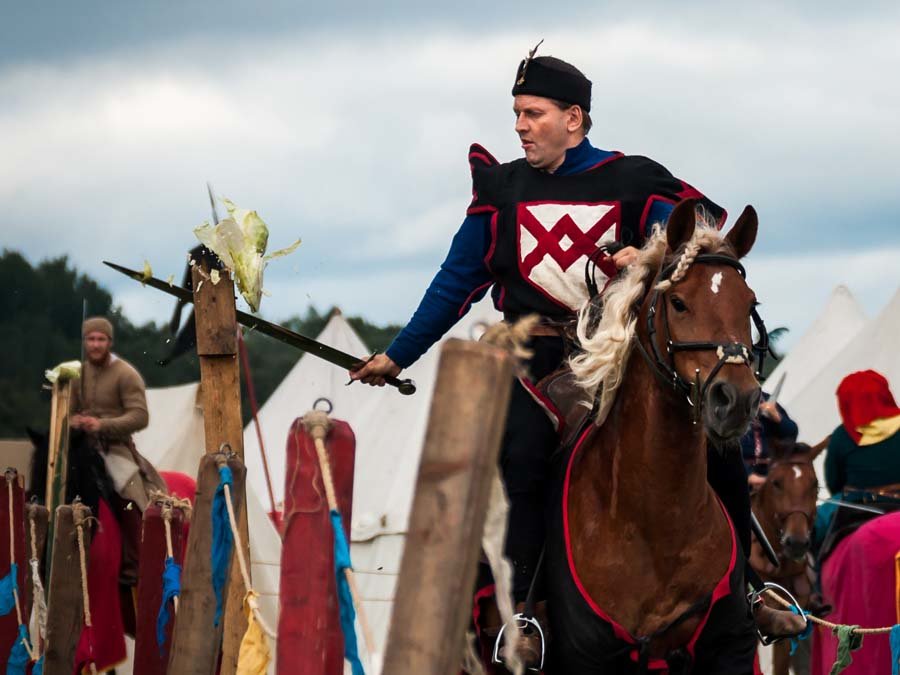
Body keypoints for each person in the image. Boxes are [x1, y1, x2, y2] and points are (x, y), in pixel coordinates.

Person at [351, 47, 803, 662]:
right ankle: (525, 613)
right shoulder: (503, 190)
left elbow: (702, 230)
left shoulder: (632, 179)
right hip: (534, 359)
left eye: (533, 113)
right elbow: (456, 281)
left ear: (574, 118)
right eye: (516, 113)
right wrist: (398, 355)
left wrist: (647, 250)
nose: (519, 125)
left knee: (714, 441)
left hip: (620, 350)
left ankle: (747, 590)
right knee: (523, 451)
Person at [70, 316, 166, 584]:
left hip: (115, 449)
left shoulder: (126, 373)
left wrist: (102, 425)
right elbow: (65, 413)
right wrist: (74, 421)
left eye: (101, 339)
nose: (96, 344)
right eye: (91, 339)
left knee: (128, 493)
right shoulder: (78, 375)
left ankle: (134, 565)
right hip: (82, 448)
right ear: (85, 342)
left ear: (109, 342)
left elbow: (140, 416)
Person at [741, 391, 799, 490]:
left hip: (771, 470)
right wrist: (747, 475)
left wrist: (777, 417)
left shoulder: (765, 399)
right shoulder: (725, 407)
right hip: (740, 478)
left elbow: (791, 434)